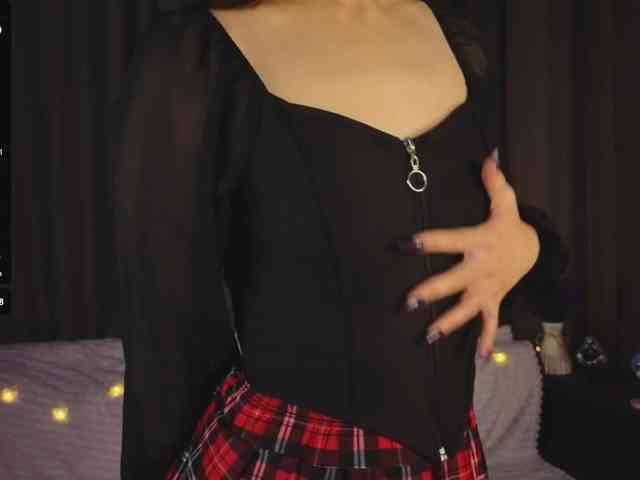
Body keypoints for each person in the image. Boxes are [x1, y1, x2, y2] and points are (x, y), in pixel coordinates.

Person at [107, 0, 558, 478]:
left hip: (456, 461)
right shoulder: (197, 55)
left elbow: (491, 230)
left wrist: (530, 246)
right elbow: (166, 338)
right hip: (292, 459)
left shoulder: (455, 38)